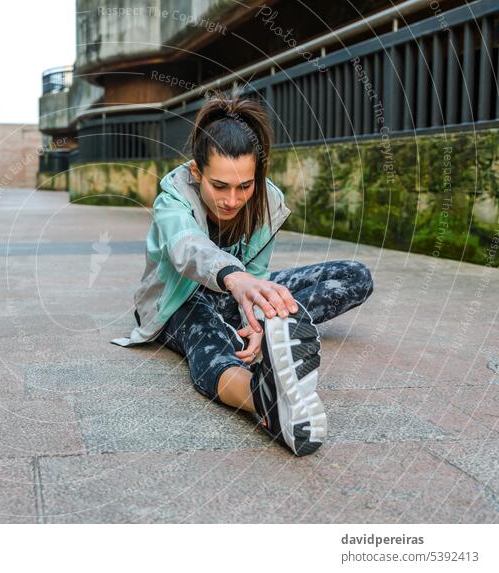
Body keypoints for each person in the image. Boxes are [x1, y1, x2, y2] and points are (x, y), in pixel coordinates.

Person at [111, 89, 374, 456]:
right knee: (212, 343)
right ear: (196, 172)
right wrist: (238, 280)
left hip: (238, 294)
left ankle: (274, 333)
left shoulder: (268, 200)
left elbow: (257, 272)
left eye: (244, 186)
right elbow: (187, 249)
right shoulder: (172, 197)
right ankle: (264, 398)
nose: (232, 200)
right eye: (219, 186)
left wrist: (259, 321)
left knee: (354, 276)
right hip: (180, 301)